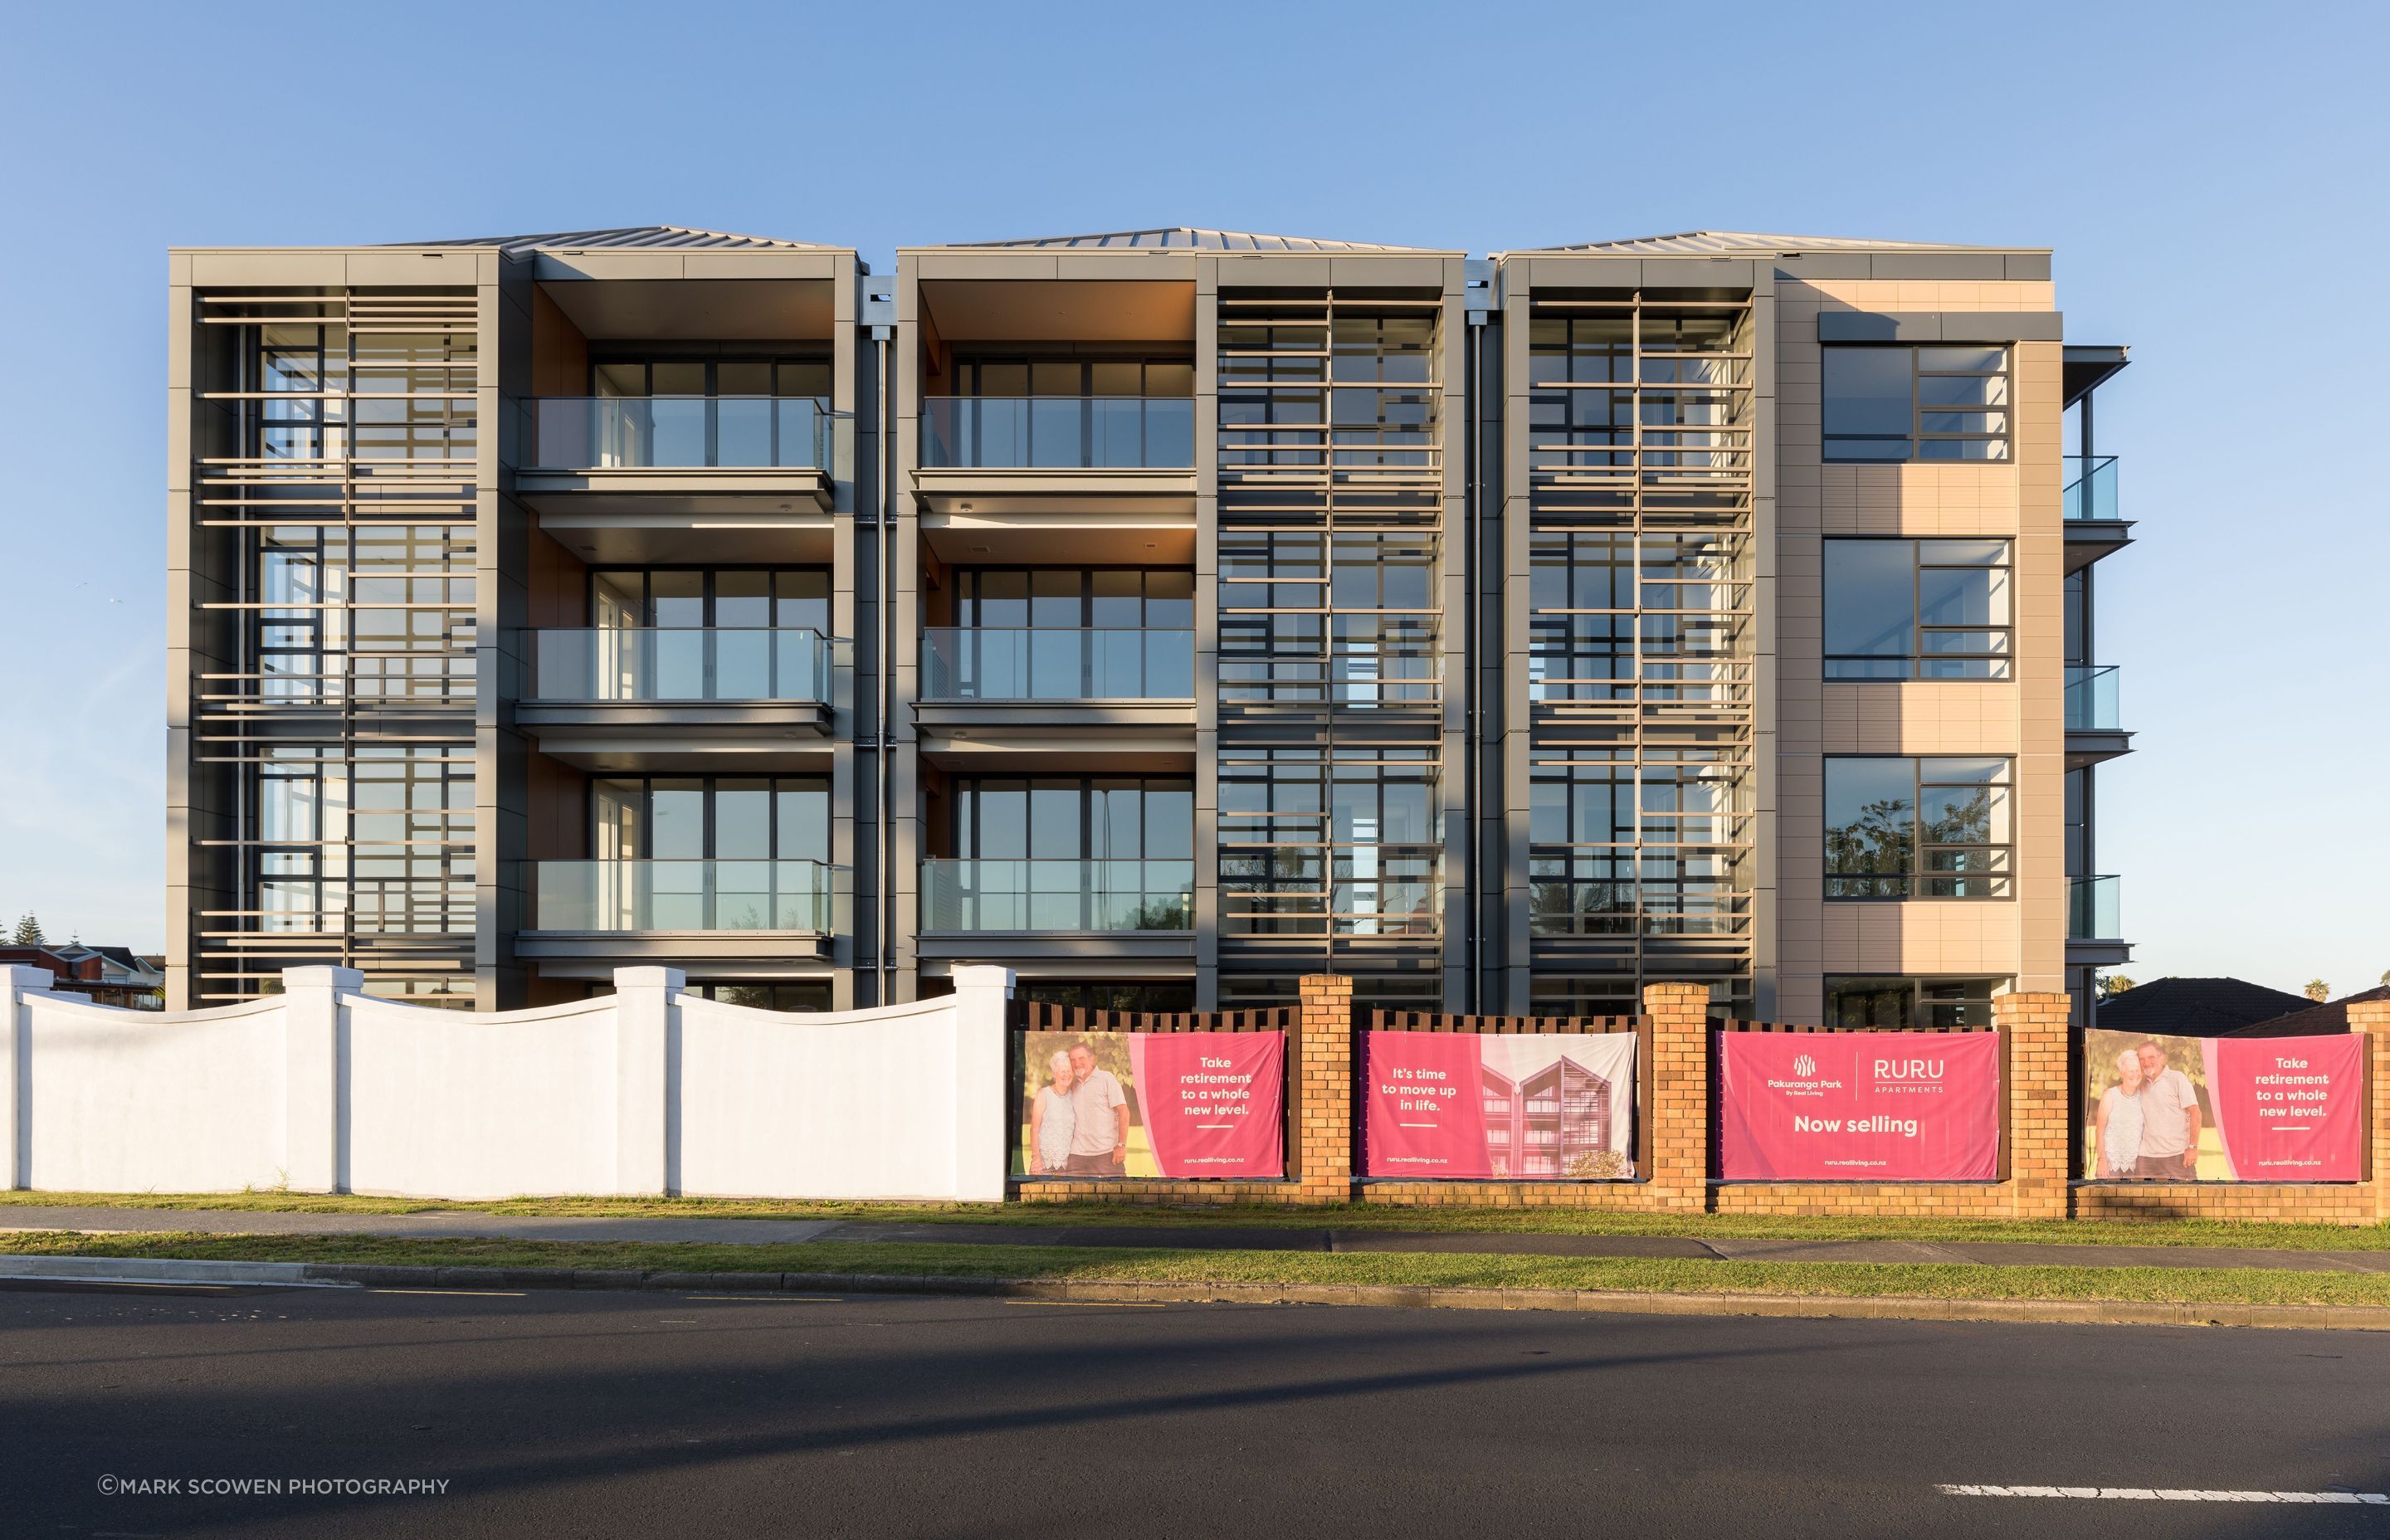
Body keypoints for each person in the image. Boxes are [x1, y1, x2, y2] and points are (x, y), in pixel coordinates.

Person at [2132, 1040, 2202, 1180]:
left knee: (2187, 1197)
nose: (2146, 1063)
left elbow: (2196, 1113)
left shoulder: (2177, 1078)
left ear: (2162, 1058)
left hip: (2176, 1156)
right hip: (2145, 1157)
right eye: (2142, 1059)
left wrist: (2193, 1147)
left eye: (2151, 1057)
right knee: (2142, 1200)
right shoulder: (2139, 1084)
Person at [1065, 1040, 1130, 1177]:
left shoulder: (1107, 1079)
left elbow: (1124, 1111)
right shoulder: (1070, 1084)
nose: (1077, 1063)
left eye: (1081, 1058)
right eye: (1073, 1060)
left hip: (1106, 1153)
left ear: (1092, 1059)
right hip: (1076, 1155)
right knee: (1074, 1197)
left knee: (1116, 1195)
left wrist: (1121, 1145)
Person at [2092, 1046, 2145, 1179]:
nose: (2135, 1074)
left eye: (2138, 1070)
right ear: (2122, 1073)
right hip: (2110, 1165)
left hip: (2136, 1167)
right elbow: (2099, 1130)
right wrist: (2101, 1159)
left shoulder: (2143, 1097)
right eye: (2131, 1071)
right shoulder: (2110, 1095)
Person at [1028, 1050, 1076, 1175]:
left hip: (1068, 1165)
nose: (1066, 1074)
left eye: (1069, 1070)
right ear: (1054, 1073)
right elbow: (1034, 1128)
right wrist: (1036, 1157)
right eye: (1062, 1071)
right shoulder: (1043, 1094)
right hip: (1043, 1164)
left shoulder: (1075, 1096)